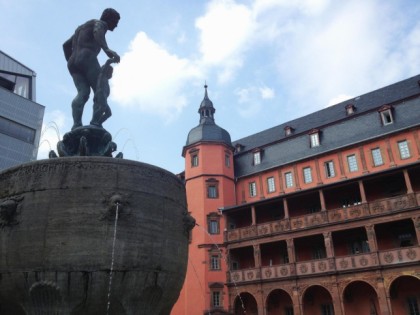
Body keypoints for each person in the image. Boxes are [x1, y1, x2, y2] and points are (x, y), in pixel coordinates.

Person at [63, 8, 120, 130]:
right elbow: (97, 31)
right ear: (109, 19)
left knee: (83, 93)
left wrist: (72, 61)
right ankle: (95, 123)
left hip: (73, 62)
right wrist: (107, 49)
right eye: (116, 21)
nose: (116, 25)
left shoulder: (81, 29)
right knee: (100, 92)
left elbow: (66, 45)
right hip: (87, 57)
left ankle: (76, 124)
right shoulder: (100, 24)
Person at [91, 58, 115, 127]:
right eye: (111, 72)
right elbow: (107, 62)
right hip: (100, 94)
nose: (111, 74)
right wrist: (112, 60)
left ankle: (99, 122)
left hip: (103, 96)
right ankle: (93, 121)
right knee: (102, 107)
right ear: (107, 70)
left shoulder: (106, 80)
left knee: (108, 113)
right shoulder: (102, 75)